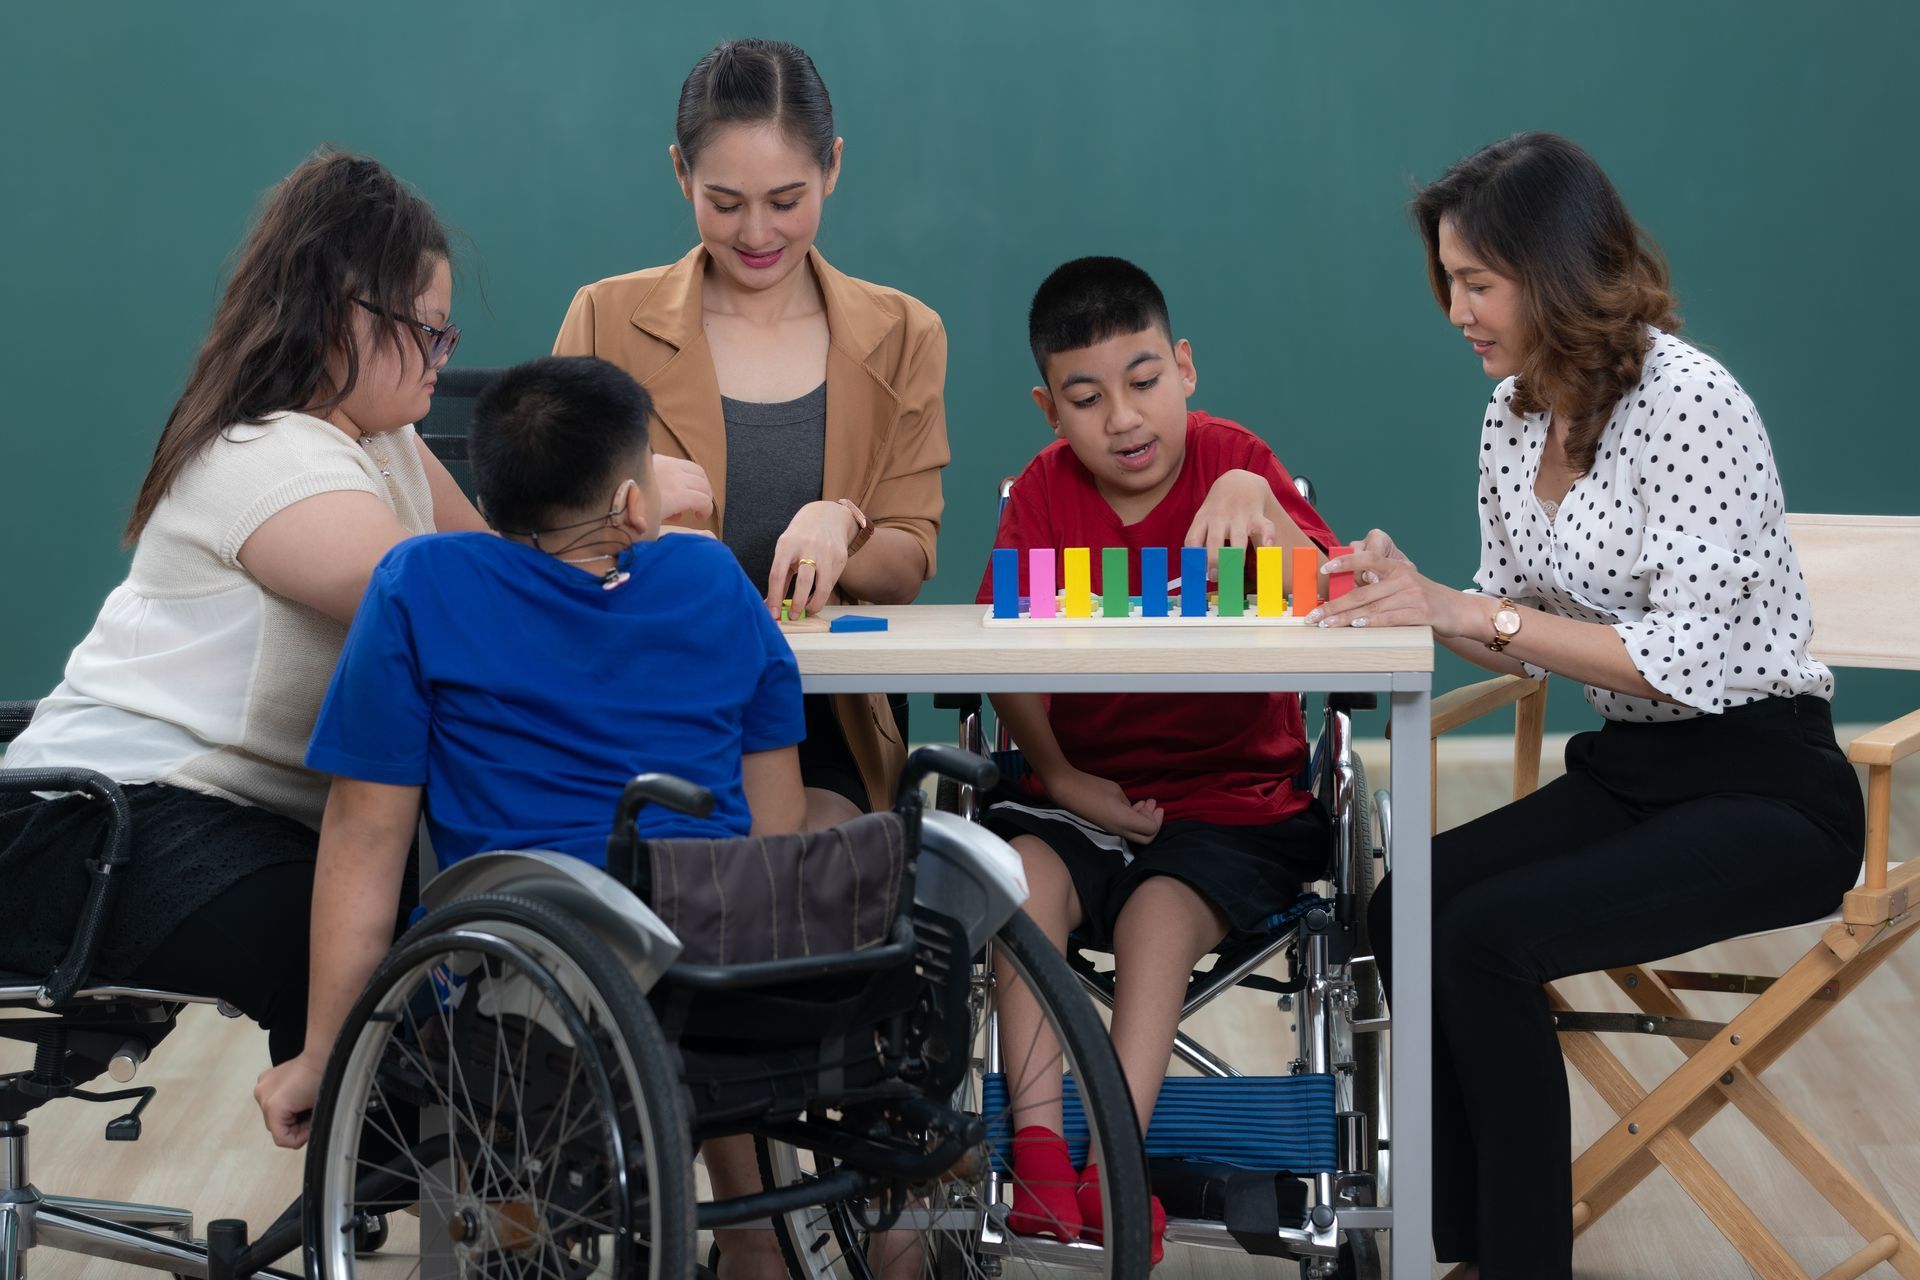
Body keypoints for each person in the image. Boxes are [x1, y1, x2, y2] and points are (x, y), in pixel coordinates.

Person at [1313, 133, 1864, 1279]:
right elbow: (1509, 616)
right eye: (1449, 283)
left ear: (1556, 271)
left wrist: (1471, 610)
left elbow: (1687, 666)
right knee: (1402, 908)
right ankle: (1457, 1245)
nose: (1457, 310)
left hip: (1771, 785)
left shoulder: (1690, 400)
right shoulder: (1513, 416)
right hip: (1635, 773)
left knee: (1483, 935)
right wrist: (1399, 588)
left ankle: (1521, 1263)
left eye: (1478, 282)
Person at [250, 355, 807, 1280]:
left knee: (484, 967)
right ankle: (754, 1243)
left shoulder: (421, 583)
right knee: (704, 923)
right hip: (720, 967)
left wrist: (324, 1056)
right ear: (636, 502)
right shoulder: (712, 579)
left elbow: (366, 835)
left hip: (528, 978)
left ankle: (513, 1244)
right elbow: (775, 827)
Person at [0, 149, 483, 1066]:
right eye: (427, 330)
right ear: (346, 315)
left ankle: (357, 1196)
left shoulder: (386, 443)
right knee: (356, 946)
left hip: (213, 819)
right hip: (100, 827)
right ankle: (346, 1196)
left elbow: (486, 567)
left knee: (411, 923)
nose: (439, 356)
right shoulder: (265, 456)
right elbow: (436, 599)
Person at [975, 256, 1337, 1263]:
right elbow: (999, 655)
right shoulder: (1045, 496)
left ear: (1184, 367)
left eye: (1143, 381)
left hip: (1232, 802)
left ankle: (1119, 1163)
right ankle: (1041, 1156)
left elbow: (1335, 594)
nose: (1123, 418)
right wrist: (1058, 774)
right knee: (1019, 880)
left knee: (1156, 911)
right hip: (1076, 787)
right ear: (1051, 410)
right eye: (1087, 398)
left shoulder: (1237, 461)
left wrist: (1258, 506)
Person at [553, 37, 949, 830]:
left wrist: (845, 524)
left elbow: (908, 560)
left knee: (810, 878)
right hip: (633, 697)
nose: (757, 233)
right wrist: (632, 511)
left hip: (815, 713)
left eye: (787, 199)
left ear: (833, 167)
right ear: (680, 174)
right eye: (725, 203)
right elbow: (536, 543)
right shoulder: (605, 316)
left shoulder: (904, 332)